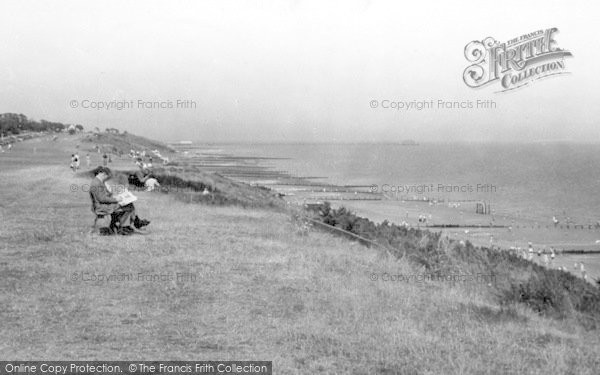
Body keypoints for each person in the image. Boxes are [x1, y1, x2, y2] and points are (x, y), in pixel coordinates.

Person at [90, 166, 150, 235]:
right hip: (102, 206)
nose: (106, 178)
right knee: (129, 206)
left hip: (103, 204)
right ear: (101, 174)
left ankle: (128, 225)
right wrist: (116, 199)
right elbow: (102, 199)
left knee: (129, 204)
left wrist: (116, 194)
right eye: (106, 176)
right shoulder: (97, 183)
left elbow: (104, 195)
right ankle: (125, 226)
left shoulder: (98, 182)